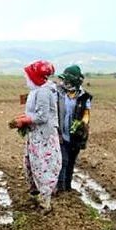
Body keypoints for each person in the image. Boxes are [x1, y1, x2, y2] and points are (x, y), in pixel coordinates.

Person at [8, 60, 61, 212]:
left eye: (28, 76)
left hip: (43, 137)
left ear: (35, 77)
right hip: (35, 135)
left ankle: (45, 202)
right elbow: (33, 112)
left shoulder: (44, 91)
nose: (26, 79)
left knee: (43, 167)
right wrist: (22, 117)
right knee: (32, 165)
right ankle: (37, 196)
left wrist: (24, 121)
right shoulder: (37, 90)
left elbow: (42, 117)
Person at [55, 65, 92, 193]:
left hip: (76, 134)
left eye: (67, 80)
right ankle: (60, 187)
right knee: (63, 160)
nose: (64, 83)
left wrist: (83, 123)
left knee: (71, 161)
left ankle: (68, 186)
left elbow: (86, 113)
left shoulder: (84, 96)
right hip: (60, 133)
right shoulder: (58, 93)